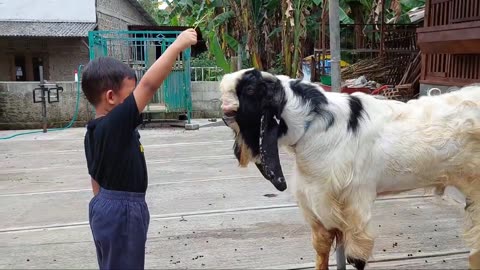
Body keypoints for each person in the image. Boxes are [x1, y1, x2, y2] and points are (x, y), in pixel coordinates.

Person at [81, 29, 197, 269]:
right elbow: (149, 84)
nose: (137, 101)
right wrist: (177, 46)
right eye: (130, 94)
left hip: (104, 205)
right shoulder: (115, 123)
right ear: (111, 97)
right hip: (123, 210)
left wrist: (104, 210)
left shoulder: (93, 131)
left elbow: (95, 178)